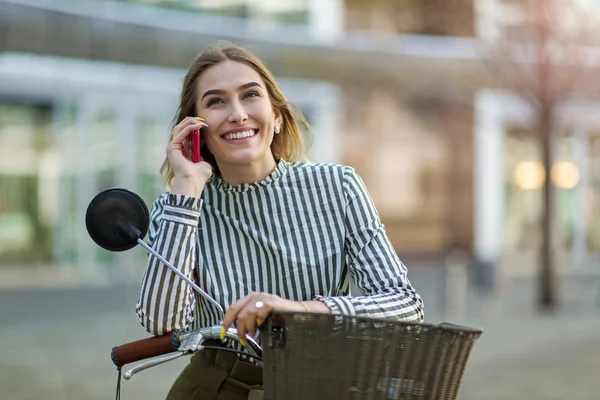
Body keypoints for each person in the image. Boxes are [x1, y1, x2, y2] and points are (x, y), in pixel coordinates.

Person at [136, 41, 424, 400]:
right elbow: (162, 322)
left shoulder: (338, 187)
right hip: (216, 388)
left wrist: (303, 311)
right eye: (215, 101)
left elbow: (406, 305)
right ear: (196, 130)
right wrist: (187, 188)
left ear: (277, 116)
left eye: (250, 95)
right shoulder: (179, 205)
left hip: (321, 385)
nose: (237, 114)